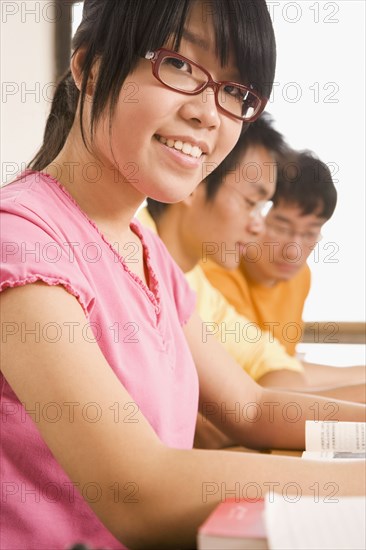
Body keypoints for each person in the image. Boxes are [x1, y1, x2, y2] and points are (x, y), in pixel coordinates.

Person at [0, 1, 365, 549]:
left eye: (236, 93)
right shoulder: (22, 241)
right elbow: (138, 492)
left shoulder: (142, 244)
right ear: (90, 66)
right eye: (179, 65)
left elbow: (251, 407)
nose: (209, 114)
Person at [145, 116, 365, 403]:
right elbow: (228, 409)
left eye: (310, 234)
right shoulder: (135, 264)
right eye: (252, 204)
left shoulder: (193, 283)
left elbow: (268, 368)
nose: (293, 251)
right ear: (193, 182)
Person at [203, 149, 335, 356]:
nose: (293, 252)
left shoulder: (299, 276)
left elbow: (284, 367)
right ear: (254, 213)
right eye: (281, 229)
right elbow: (254, 374)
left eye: (310, 233)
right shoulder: (213, 271)